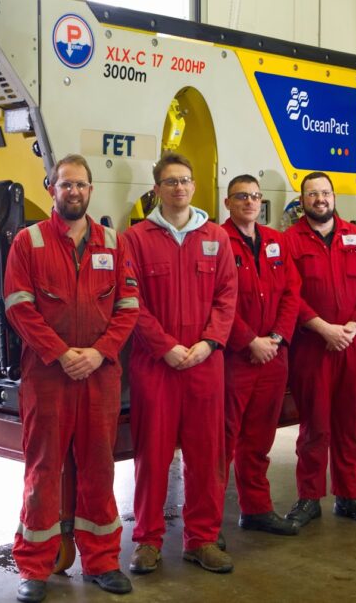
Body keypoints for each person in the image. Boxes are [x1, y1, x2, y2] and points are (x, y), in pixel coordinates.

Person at [4, 154, 140, 603]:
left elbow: (127, 308)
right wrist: (61, 354)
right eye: (66, 185)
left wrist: (99, 353)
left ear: (90, 190)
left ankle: (102, 561)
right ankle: (34, 568)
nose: (74, 192)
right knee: (44, 471)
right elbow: (19, 307)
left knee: (100, 467)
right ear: (52, 189)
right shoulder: (29, 242)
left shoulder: (113, 244)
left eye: (81, 185)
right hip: (48, 376)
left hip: (99, 375)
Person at [123, 152, 238, 575]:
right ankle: (147, 541)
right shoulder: (135, 239)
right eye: (170, 181)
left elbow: (227, 296)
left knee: (206, 454)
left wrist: (210, 343)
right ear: (157, 188)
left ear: (194, 187)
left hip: (205, 364)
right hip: (156, 365)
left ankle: (202, 539)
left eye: (185, 181)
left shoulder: (216, 237)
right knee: (151, 455)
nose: (179, 188)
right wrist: (165, 346)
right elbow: (130, 301)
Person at [283, 171, 356, 529]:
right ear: (302, 200)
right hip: (312, 346)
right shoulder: (290, 242)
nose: (320, 199)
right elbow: (288, 294)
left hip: (352, 345)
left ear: (334, 197)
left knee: (346, 424)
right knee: (314, 426)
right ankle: (309, 498)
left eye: (325, 193)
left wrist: (355, 326)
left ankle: (349, 495)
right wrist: (323, 328)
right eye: (312, 194)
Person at [221, 175, 301, 536]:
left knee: (259, 438)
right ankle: (205, 523)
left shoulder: (276, 241)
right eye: (242, 197)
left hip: (272, 356)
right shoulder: (217, 240)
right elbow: (217, 299)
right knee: (221, 441)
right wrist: (249, 341)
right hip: (235, 358)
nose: (250, 203)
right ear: (228, 203)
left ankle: (256, 509)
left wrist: (277, 337)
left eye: (255, 196)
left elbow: (291, 292)